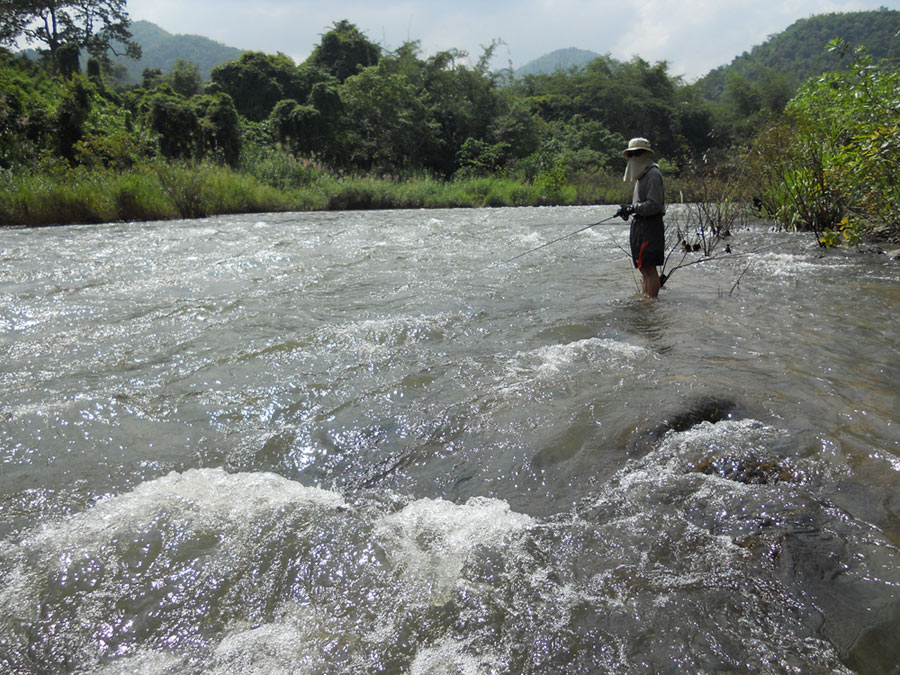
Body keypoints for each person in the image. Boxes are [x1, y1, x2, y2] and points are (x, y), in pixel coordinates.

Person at [616, 137, 665, 298]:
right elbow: (640, 204)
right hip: (640, 224)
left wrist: (633, 208)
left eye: (637, 153)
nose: (634, 157)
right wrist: (628, 211)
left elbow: (655, 204)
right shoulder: (641, 176)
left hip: (650, 226)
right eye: (631, 154)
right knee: (643, 267)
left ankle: (652, 303)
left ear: (646, 155)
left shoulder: (653, 174)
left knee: (650, 268)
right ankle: (646, 301)